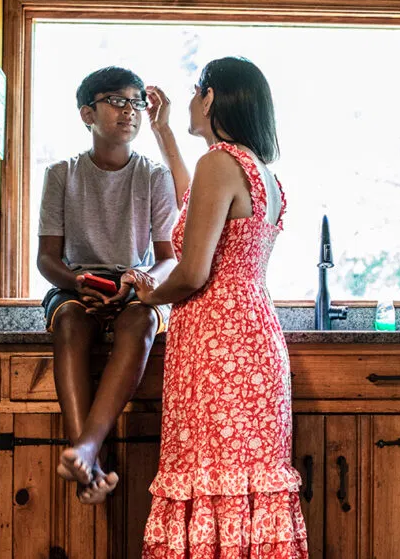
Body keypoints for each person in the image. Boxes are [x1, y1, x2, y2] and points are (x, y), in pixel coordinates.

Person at [126, 57, 308, 557]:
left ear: (211, 97)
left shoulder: (219, 164)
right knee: (241, 481)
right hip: (253, 338)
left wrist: (147, 295)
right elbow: (196, 205)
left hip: (217, 344)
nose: (188, 100)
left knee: (209, 476)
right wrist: (164, 134)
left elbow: (191, 273)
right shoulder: (257, 171)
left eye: (194, 90)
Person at [37, 66, 187, 504]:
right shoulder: (62, 174)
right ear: (87, 113)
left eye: (137, 102)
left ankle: (85, 450)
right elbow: (47, 259)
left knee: (140, 322)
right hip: (75, 284)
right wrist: (76, 282)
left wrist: (138, 281)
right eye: (117, 101)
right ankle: (90, 462)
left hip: (135, 287)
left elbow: (167, 259)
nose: (131, 111)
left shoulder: (154, 176)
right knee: (69, 322)